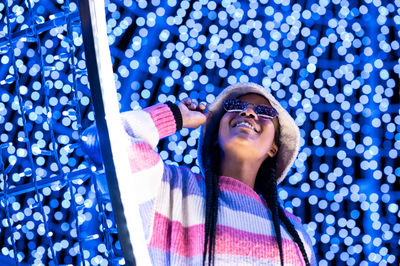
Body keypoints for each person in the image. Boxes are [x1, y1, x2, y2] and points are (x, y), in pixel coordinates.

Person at [84, 82, 316, 265]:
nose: (248, 113)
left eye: (264, 111)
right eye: (234, 106)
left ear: (274, 148)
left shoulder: (295, 234)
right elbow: (101, 140)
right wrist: (175, 115)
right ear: (215, 134)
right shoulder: (171, 188)